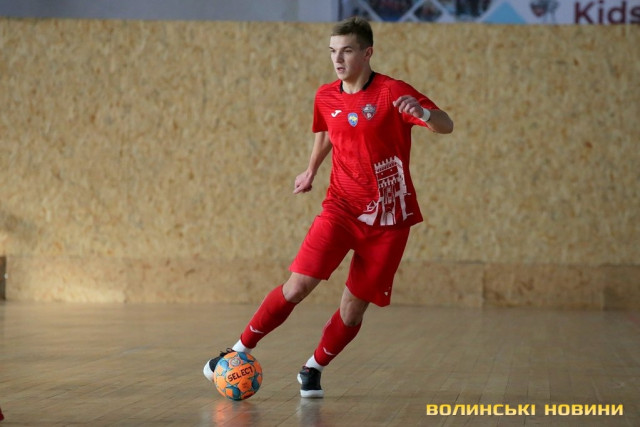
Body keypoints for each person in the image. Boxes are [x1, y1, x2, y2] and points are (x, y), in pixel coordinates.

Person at [203, 16, 453, 398]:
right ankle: (236, 351)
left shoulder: (392, 92)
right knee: (298, 285)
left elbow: (446, 124)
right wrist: (311, 170)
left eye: (347, 51)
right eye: (333, 51)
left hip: (389, 219)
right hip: (341, 208)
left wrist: (425, 115)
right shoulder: (325, 96)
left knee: (353, 310)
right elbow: (326, 134)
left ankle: (313, 367)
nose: (338, 59)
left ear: (367, 53)